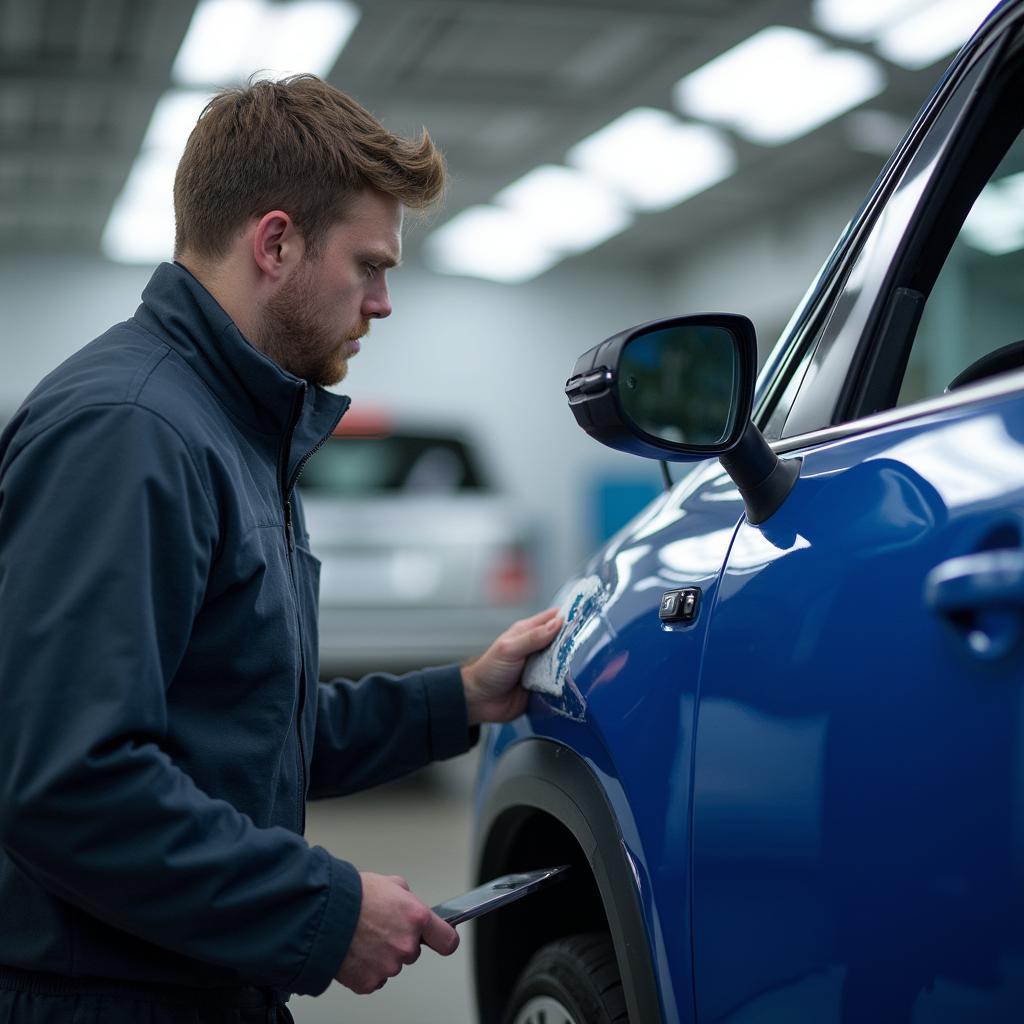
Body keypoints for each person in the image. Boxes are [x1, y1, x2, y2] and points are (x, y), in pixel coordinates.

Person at [0, 75, 561, 1023]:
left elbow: (238, 726)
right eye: (370, 266)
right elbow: (65, 781)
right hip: (107, 999)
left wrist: (457, 697)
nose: (382, 303)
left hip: (190, 975)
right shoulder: (131, 432)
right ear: (275, 242)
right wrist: (325, 910)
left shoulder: (229, 425)